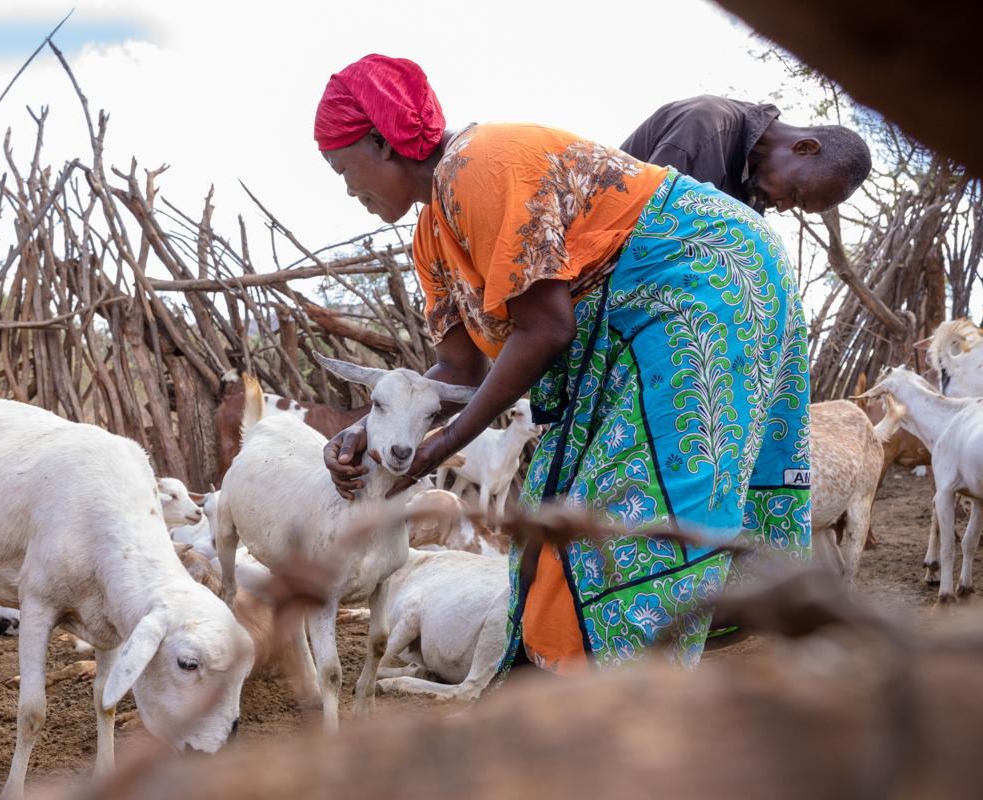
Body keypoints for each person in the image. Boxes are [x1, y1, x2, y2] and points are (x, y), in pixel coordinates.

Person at [316, 54, 810, 678]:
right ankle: (570, 695)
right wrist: (374, 428)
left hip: (703, 284)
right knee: (567, 516)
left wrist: (441, 446)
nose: (347, 188)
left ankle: (627, 704)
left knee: (638, 517)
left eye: (342, 168)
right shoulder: (431, 236)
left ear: (381, 141)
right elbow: (454, 369)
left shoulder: (480, 163)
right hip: (630, 326)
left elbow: (547, 328)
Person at [620, 95, 871, 215]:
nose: (782, 208)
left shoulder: (757, 190)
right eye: (795, 195)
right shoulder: (706, 127)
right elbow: (647, 232)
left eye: (794, 205)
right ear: (804, 148)